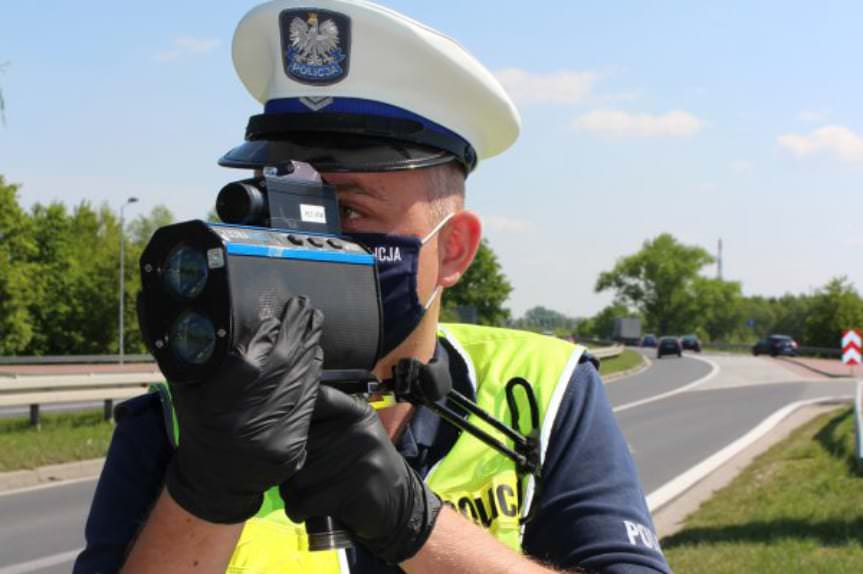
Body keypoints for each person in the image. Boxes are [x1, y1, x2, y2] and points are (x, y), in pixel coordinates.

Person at [75, 1, 671, 573]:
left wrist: (416, 526)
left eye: (347, 211)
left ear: (453, 249)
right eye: (275, 207)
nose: (293, 242)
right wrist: (206, 491)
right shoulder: (174, 423)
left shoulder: (540, 393)